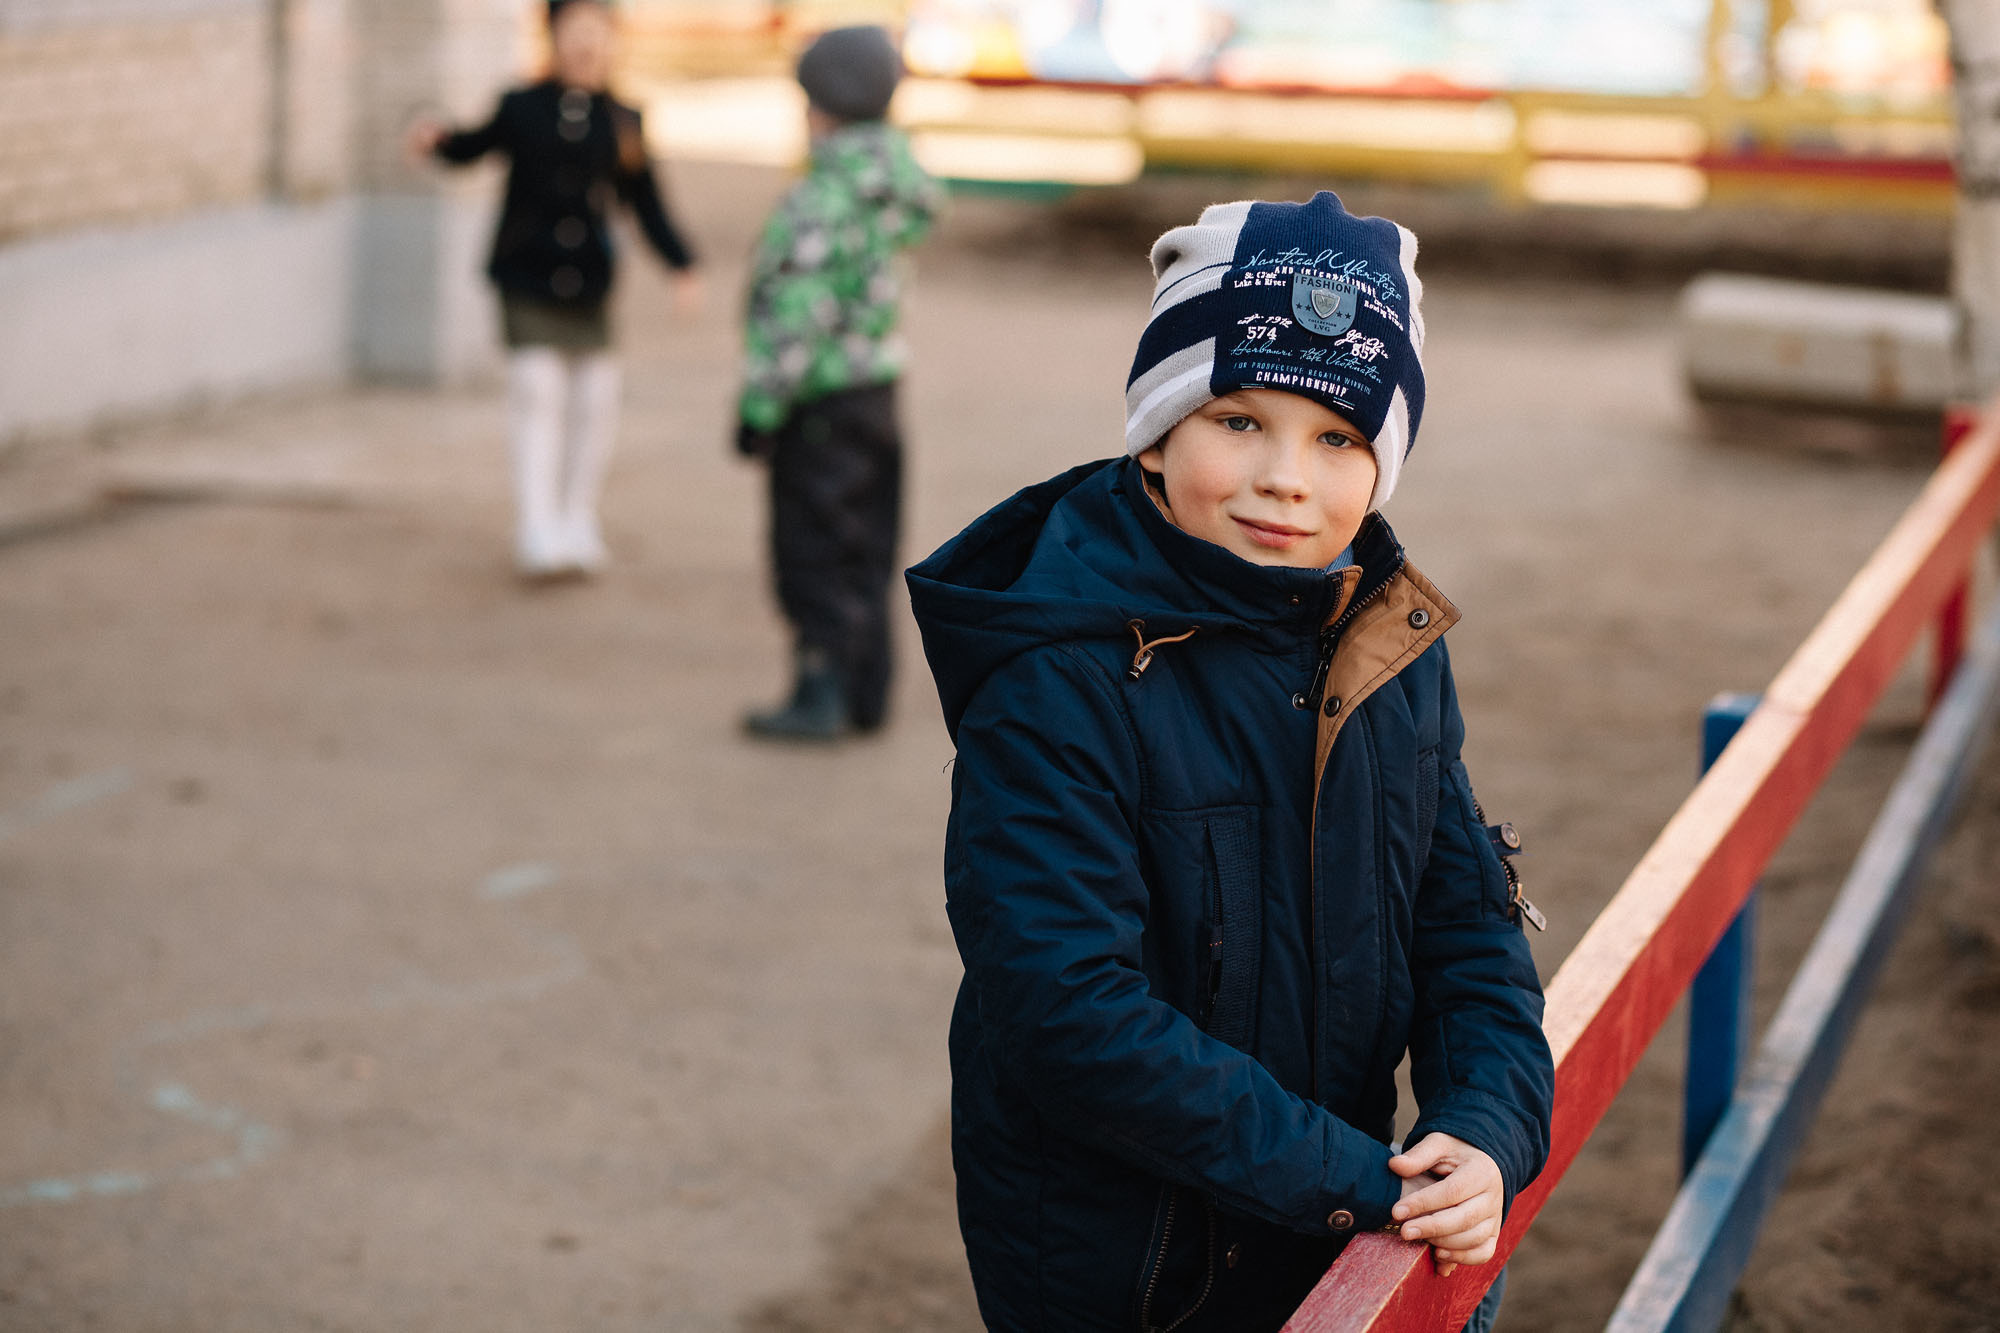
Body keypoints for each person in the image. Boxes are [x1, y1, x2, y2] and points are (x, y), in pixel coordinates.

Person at [905, 193, 1555, 1333]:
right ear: (1156, 430)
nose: (1285, 479)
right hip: (1129, 1273)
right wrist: (1367, 1187)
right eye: (1238, 422)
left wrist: (1486, 1129)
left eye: (1337, 437)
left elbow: (1460, 919)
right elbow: (1067, 1008)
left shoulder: (1383, 644)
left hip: (1339, 1224)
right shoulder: (1061, 674)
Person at [407, 0, 700, 580]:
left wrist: (681, 264)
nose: (586, 42)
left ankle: (576, 518)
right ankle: (536, 525)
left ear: (613, 39)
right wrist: (435, 140)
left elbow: (646, 201)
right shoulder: (522, 106)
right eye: (575, 30)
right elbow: (473, 145)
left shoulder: (624, 119)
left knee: (595, 399)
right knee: (535, 388)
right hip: (525, 274)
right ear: (554, 36)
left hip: (590, 280)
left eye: (598, 31)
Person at [734, 25, 942, 741]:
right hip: (879, 391)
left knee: (813, 544)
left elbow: (799, 313)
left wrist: (761, 406)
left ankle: (818, 689)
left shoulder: (820, 199)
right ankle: (866, 690)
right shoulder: (892, 188)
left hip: (818, 401)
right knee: (868, 545)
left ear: (819, 106)